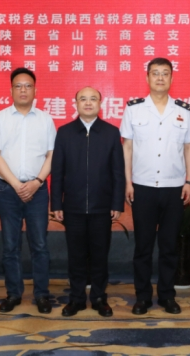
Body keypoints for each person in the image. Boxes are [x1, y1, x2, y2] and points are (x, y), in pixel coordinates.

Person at [120, 57, 190, 315]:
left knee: (169, 246)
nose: (160, 78)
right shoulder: (134, 109)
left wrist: (189, 181)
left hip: (174, 187)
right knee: (143, 247)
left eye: (165, 73)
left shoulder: (184, 110)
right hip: (142, 187)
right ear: (147, 78)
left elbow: (189, 148)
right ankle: (142, 297)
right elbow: (127, 148)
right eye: (155, 73)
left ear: (172, 78)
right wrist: (128, 182)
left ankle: (167, 296)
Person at [50, 87, 125, 317]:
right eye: (83, 99)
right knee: (76, 256)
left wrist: (117, 203)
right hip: (73, 207)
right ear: (76, 103)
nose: (88, 103)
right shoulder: (65, 132)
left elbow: (118, 172)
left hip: (102, 207)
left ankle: (100, 298)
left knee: (100, 256)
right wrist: (57, 204)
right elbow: (57, 171)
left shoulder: (111, 132)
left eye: (93, 99)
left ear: (101, 104)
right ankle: (77, 299)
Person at [0, 67, 56, 314]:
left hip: (38, 190)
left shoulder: (45, 119)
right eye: (18, 86)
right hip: (8, 191)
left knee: (40, 245)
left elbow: (52, 155)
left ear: (35, 90)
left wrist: (37, 182)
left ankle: (42, 295)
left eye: (28, 86)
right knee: (10, 246)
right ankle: (13, 294)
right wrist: (17, 185)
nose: (23, 90)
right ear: (11, 90)